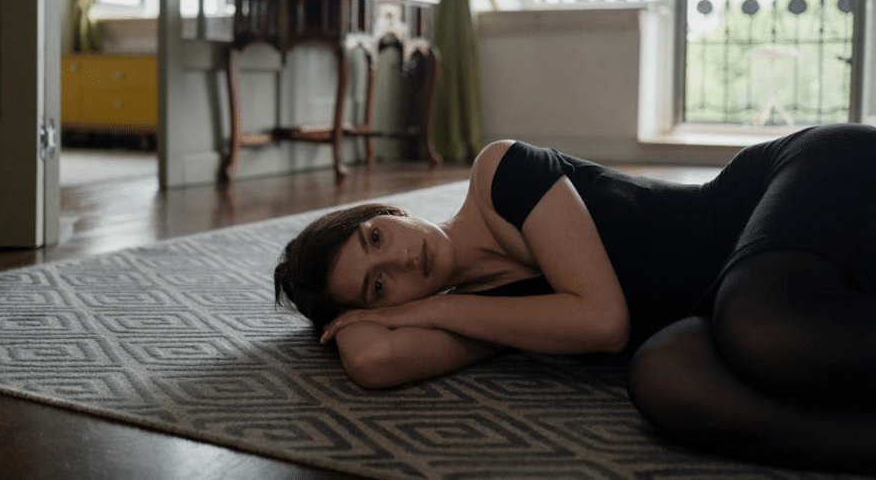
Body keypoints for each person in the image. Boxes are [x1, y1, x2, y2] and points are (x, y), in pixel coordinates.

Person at [274, 123, 876, 472]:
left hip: (786, 186)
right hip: (724, 298)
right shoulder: (489, 315)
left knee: (762, 328)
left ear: (390, 211)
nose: (403, 259)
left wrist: (419, 307)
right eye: (379, 285)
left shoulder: (499, 174)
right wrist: (357, 312)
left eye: (376, 236)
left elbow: (602, 322)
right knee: (663, 379)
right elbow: (374, 361)